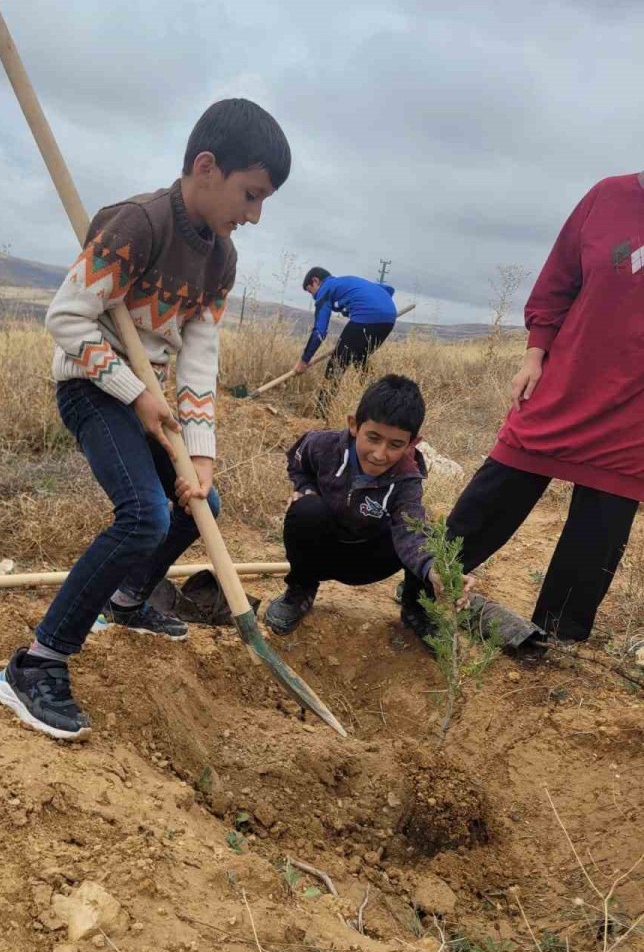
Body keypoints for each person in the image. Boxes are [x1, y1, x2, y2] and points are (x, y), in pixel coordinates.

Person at [0, 98, 292, 741]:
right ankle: (36, 664)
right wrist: (133, 390)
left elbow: (200, 358)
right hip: (93, 385)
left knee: (195, 504)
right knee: (143, 515)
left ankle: (128, 601)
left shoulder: (221, 258)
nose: (255, 214)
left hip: (148, 392)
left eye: (264, 199)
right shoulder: (136, 224)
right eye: (251, 193)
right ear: (206, 167)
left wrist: (202, 452)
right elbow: (67, 318)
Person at [402, 172, 643, 644]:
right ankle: (422, 592)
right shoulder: (609, 196)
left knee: (601, 526)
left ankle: (558, 638)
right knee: (493, 496)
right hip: (567, 379)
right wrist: (535, 352)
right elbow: (559, 280)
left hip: (636, 409)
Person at [265, 374, 474, 636]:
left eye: (396, 444)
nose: (379, 453)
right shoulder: (321, 445)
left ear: (412, 443)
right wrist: (305, 489)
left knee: (425, 533)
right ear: (354, 425)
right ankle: (300, 590)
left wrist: (434, 570)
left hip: (369, 562)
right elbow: (298, 465)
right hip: (322, 552)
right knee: (306, 510)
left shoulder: (407, 478)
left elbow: (410, 531)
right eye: (373, 438)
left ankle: (416, 609)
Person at [295, 268, 398, 416]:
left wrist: (304, 360)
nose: (313, 297)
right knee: (360, 359)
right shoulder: (345, 282)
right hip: (388, 320)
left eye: (310, 291)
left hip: (367, 317)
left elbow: (319, 331)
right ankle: (382, 406)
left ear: (315, 281)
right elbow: (389, 290)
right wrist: (382, 308)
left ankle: (319, 415)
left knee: (336, 365)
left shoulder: (326, 290)